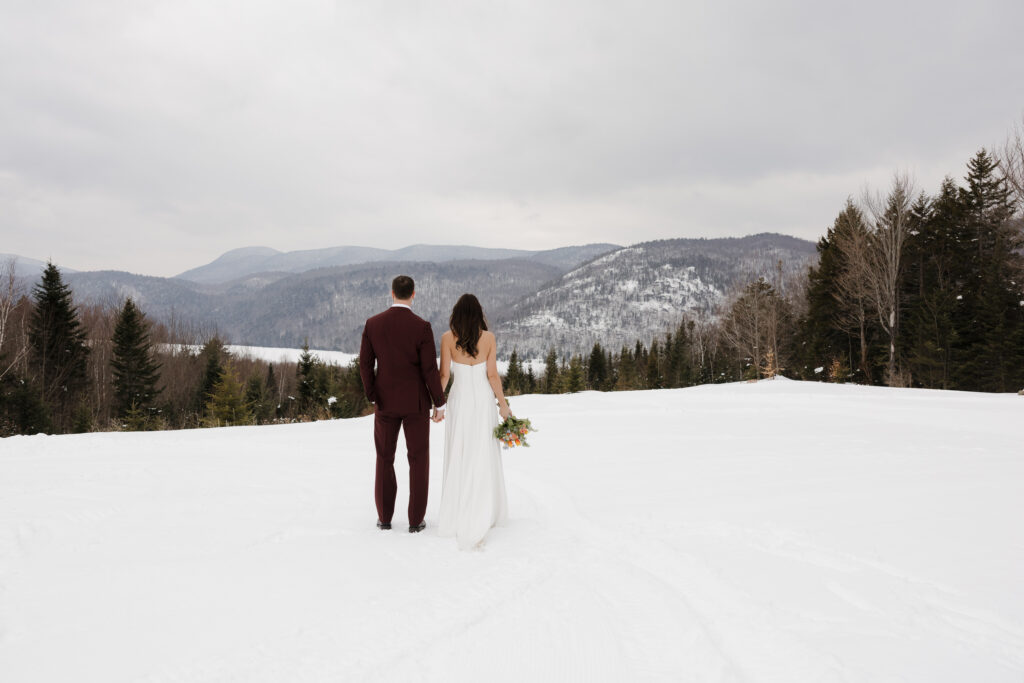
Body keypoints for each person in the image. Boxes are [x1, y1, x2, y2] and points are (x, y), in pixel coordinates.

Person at [359, 275, 446, 533]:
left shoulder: (373, 324)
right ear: (413, 294)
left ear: (392, 293)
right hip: (416, 404)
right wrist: (439, 402)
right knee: (418, 460)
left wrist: (372, 393)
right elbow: (430, 369)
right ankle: (415, 520)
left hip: (385, 402)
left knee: (384, 458)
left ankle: (384, 517)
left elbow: (365, 364)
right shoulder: (422, 327)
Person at [437, 293, 510, 550]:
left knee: (460, 450)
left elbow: (444, 375)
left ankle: (458, 509)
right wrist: (503, 405)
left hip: (459, 400)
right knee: (481, 451)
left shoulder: (447, 338)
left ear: (456, 314)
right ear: (479, 313)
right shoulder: (488, 338)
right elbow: (492, 375)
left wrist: (437, 405)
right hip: (481, 400)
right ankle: (482, 507)